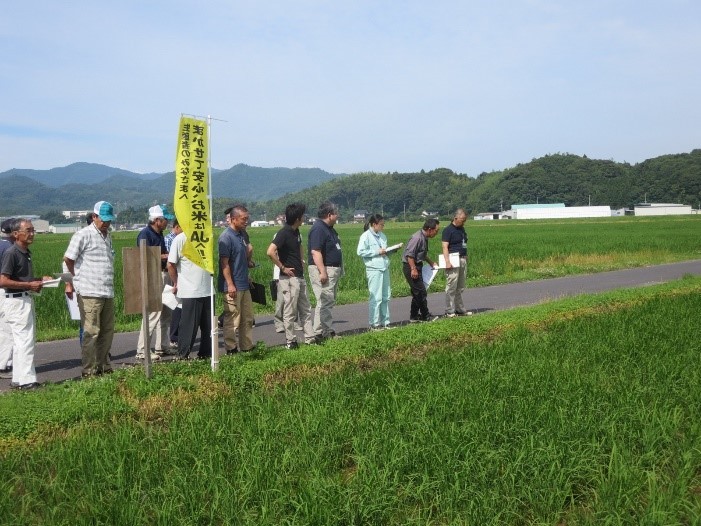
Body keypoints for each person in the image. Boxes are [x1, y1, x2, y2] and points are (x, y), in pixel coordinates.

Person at [64, 201, 117, 377]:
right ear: (94, 217)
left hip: (107, 290)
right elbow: (68, 259)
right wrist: (75, 279)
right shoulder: (83, 235)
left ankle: (104, 366)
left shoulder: (108, 235)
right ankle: (89, 370)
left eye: (109, 220)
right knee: (91, 332)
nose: (107, 223)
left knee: (107, 331)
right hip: (89, 291)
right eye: (103, 219)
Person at [0, 218, 52, 389]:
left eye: (32, 230)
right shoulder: (12, 253)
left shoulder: (24, 252)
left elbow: (21, 279)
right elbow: (3, 281)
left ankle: (18, 379)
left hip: (23, 298)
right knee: (25, 342)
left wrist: (38, 281)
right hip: (17, 302)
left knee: (20, 342)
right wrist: (30, 285)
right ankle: (27, 381)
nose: (32, 234)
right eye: (28, 230)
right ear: (16, 234)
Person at [266, 203, 317, 349]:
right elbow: (270, 251)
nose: (304, 218)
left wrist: (301, 260)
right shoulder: (284, 233)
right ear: (297, 218)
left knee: (305, 308)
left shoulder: (296, 232)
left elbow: (299, 246)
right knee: (290, 310)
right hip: (288, 278)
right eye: (302, 215)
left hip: (299, 276)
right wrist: (282, 267)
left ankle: (310, 337)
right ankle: (290, 341)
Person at [135, 204, 176, 360]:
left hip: (164, 274)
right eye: (165, 219)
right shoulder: (145, 234)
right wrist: (163, 256)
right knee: (153, 314)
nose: (167, 222)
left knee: (166, 313)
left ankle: (162, 345)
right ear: (157, 220)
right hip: (152, 276)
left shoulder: (159, 234)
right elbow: (142, 256)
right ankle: (142, 350)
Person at [167, 227, 212, 360]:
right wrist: (176, 283)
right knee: (188, 326)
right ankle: (183, 355)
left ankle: (206, 354)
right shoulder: (180, 239)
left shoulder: (206, 237)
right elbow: (171, 264)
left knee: (208, 326)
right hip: (190, 291)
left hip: (208, 289)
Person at [218, 204, 254, 354]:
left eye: (247, 219)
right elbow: (224, 263)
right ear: (233, 219)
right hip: (233, 286)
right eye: (243, 219)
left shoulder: (241, 235)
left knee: (247, 317)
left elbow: (242, 259)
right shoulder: (226, 237)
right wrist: (230, 284)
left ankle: (246, 346)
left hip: (244, 283)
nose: (246, 221)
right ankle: (231, 348)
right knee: (232, 318)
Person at [356, 214, 398, 330]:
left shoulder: (382, 236)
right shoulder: (366, 236)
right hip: (374, 269)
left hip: (384, 267)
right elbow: (360, 252)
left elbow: (383, 251)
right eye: (381, 224)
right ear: (374, 224)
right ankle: (374, 324)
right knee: (376, 297)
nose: (383, 227)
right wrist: (376, 251)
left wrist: (390, 251)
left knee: (386, 296)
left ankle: (386, 322)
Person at [308, 201, 343, 340]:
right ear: (329, 215)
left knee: (326, 301)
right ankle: (325, 332)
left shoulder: (329, 228)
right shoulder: (319, 228)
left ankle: (320, 331)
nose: (338, 216)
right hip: (324, 269)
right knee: (325, 300)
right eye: (336, 213)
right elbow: (316, 252)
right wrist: (322, 272)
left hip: (331, 269)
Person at [402, 218, 441, 323]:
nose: (437, 233)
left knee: (417, 292)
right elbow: (409, 255)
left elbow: (422, 254)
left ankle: (414, 316)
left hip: (417, 265)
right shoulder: (417, 238)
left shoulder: (424, 237)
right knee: (421, 292)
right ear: (429, 229)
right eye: (436, 231)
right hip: (411, 266)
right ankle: (426, 316)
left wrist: (431, 262)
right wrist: (413, 269)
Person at [441, 208, 469, 317]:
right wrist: (447, 261)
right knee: (451, 285)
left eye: (465, 220)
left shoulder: (462, 229)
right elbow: (444, 246)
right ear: (456, 218)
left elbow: (464, 243)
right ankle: (449, 310)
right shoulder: (448, 230)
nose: (463, 222)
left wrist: (465, 254)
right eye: (462, 220)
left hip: (462, 258)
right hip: (452, 259)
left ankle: (460, 309)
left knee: (460, 286)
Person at [0, 218, 16, 379]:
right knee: (7, 329)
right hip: (4, 291)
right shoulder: (10, 249)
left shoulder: (1, 245)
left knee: (2, 328)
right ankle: (4, 365)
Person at [165, 218, 183, 349]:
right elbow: (170, 262)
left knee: (179, 306)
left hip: (180, 275)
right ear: (177, 227)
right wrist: (175, 281)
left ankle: (176, 335)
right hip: (174, 274)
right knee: (176, 305)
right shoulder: (171, 239)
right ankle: (174, 336)